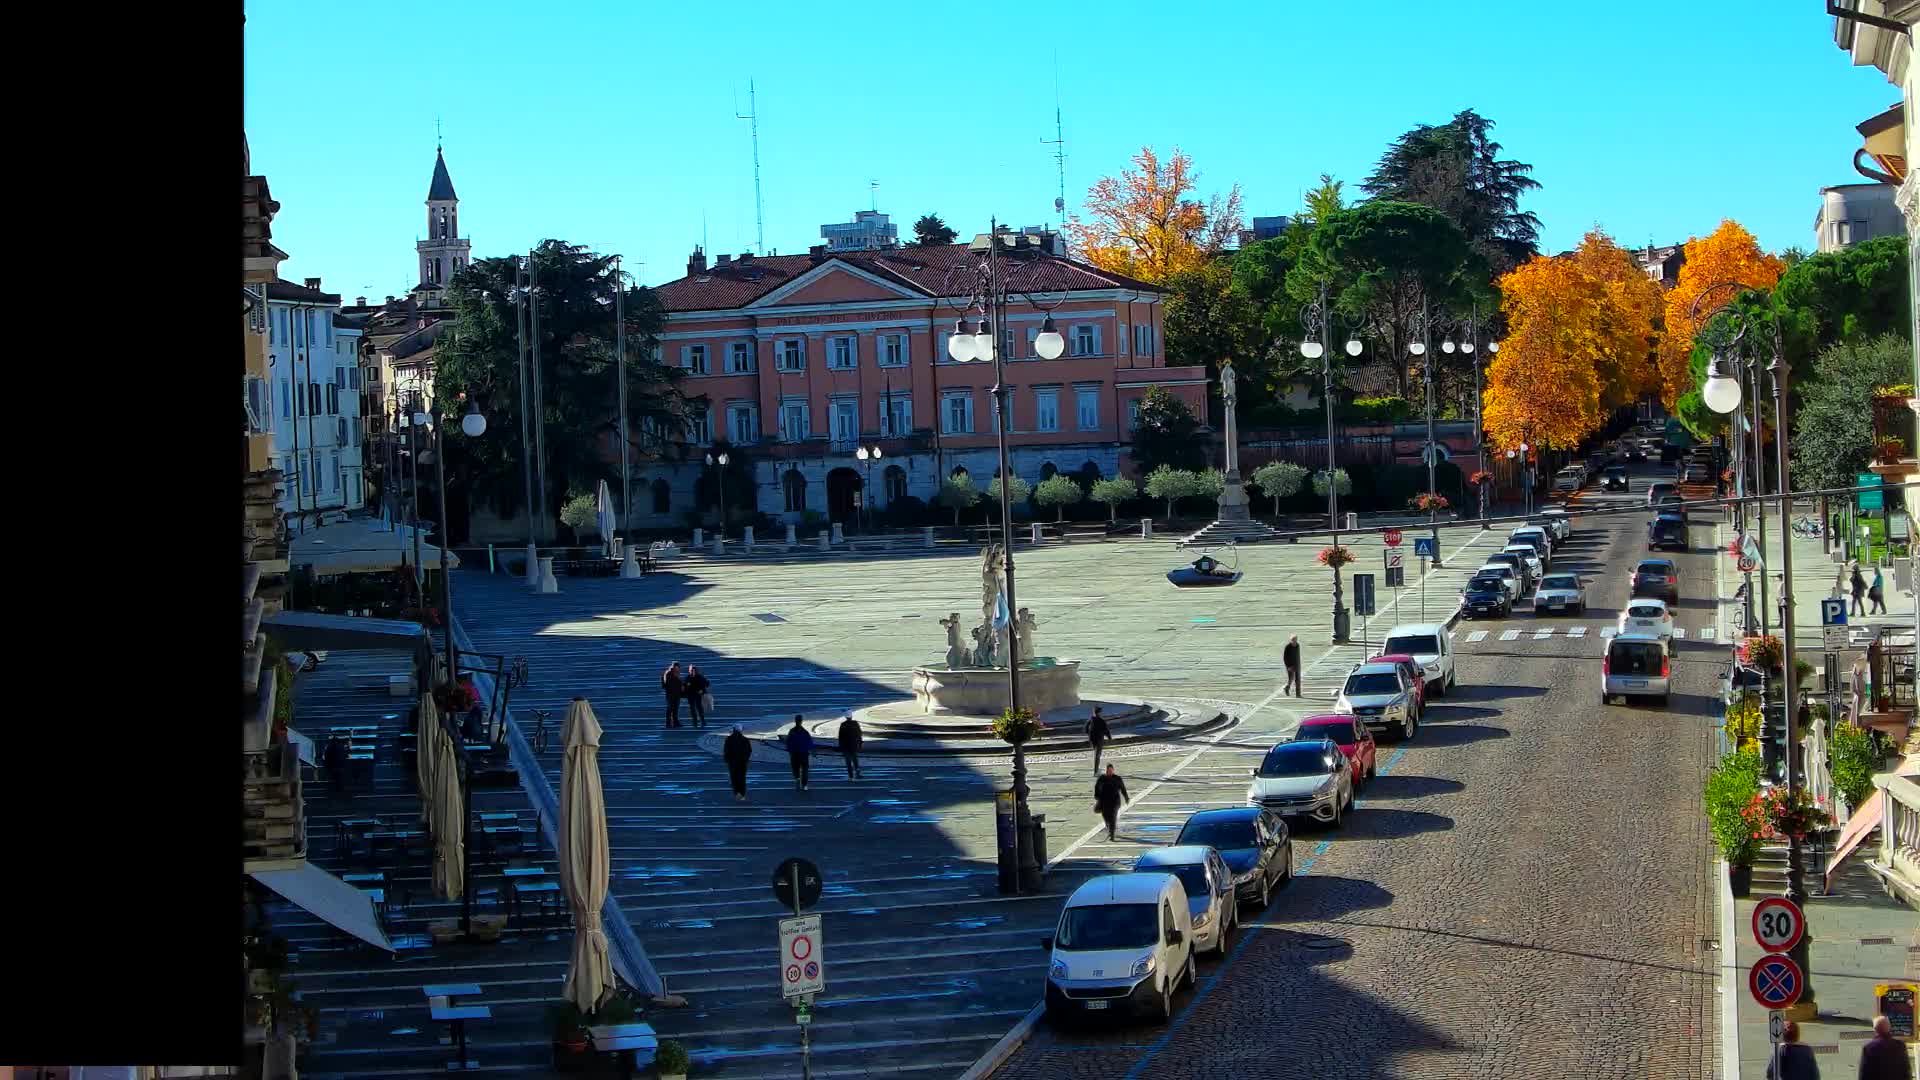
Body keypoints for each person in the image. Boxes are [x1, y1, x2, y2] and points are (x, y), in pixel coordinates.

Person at [1858, 1014, 1913, 1080]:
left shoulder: (1868, 1048)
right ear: (1889, 1028)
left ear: (1875, 1029)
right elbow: (1906, 1071)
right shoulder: (1900, 1046)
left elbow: (1864, 1075)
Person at [1093, 763, 1130, 842]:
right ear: (1106, 771)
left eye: (1111, 770)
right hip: (1104, 802)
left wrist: (1126, 797)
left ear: (1113, 770)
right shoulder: (1102, 778)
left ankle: (1112, 835)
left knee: (1113, 818)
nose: (1109, 771)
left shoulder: (1117, 779)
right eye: (1108, 770)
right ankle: (1109, 827)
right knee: (1106, 817)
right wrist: (1097, 796)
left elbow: (1123, 789)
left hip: (1115, 802)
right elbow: (1097, 788)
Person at [783, 715, 815, 792]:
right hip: (803, 753)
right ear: (801, 721)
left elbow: (788, 742)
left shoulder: (792, 731)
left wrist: (789, 749)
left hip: (794, 753)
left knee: (795, 767)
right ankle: (804, 785)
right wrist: (811, 750)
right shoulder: (805, 732)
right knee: (805, 769)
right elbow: (810, 743)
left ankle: (797, 778)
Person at [722, 726, 753, 801]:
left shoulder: (729, 739)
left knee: (734, 778)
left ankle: (736, 793)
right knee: (742, 778)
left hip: (732, 762)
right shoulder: (745, 739)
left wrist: (727, 759)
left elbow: (726, 750)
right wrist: (746, 759)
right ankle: (742, 794)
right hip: (742, 762)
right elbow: (749, 750)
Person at [683, 664, 711, 729]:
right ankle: (695, 721)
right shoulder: (687, 678)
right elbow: (684, 686)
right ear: (689, 671)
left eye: (694, 670)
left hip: (698, 694)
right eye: (691, 670)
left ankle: (702, 720)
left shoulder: (699, 677)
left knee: (699, 707)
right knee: (692, 709)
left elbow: (707, 683)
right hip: (690, 695)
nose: (693, 672)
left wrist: (702, 690)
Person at [1085, 707, 1111, 776]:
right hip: (1099, 739)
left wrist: (1089, 735)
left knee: (1096, 754)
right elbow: (1106, 730)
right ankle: (1096, 771)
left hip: (1092, 739)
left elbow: (1086, 728)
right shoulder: (1101, 721)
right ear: (1099, 713)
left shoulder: (1091, 719)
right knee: (1097, 755)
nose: (1102, 713)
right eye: (1101, 712)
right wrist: (1109, 737)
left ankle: (1096, 770)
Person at [837, 714, 863, 779]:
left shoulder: (843, 724)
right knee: (855, 760)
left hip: (846, 746)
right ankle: (858, 774)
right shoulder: (855, 723)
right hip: (854, 745)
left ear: (846, 717)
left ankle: (850, 776)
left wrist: (841, 746)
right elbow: (859, 734)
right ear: (851, 717)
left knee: (848, 762)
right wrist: (860, 744)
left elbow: (840, 736)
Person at [661, 662, 684, 729]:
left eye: (678, 667)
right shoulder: (668, 673)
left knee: (675, 709)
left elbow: (678, 683)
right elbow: (668, 684)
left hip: (677, 694)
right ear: (673, 667)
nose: (677, 668)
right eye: (676, 667)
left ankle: (675, 722)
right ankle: (668, 723)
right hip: (670, 694)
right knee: (670, 708)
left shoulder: (676, 673)